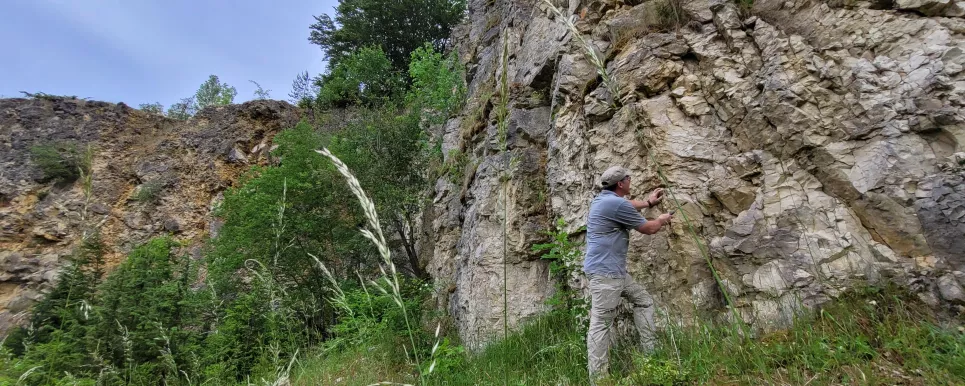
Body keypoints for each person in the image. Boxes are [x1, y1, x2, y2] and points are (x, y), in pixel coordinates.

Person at [584, 166, 674, 381]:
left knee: (643, 301)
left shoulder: (603, 199)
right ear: (621, 184)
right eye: (628, 178)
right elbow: (649, 228)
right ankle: (599, 380)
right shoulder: (614, 203)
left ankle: (651, 355)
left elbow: (627, 205)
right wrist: (661, 219)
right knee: (600, 325)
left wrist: (649, 202)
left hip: (612, 273)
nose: (631, 180)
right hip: (607, 276)